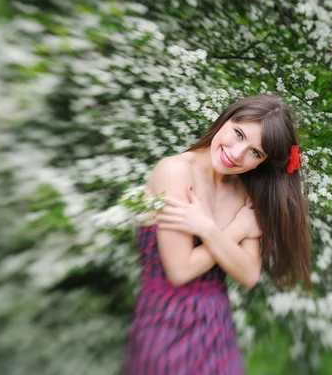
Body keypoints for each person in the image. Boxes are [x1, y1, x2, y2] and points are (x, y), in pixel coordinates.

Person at [124, 95, 312, 374]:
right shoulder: (175, 172)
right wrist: (234, 229)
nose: (236, 153)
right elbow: (180, 270)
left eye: (255, 152)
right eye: (238, 134)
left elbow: (248, 274)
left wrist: (208, 230)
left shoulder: (242, 194)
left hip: (216, 330)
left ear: (261, 163)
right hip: (163, 326)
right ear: (226, 118)